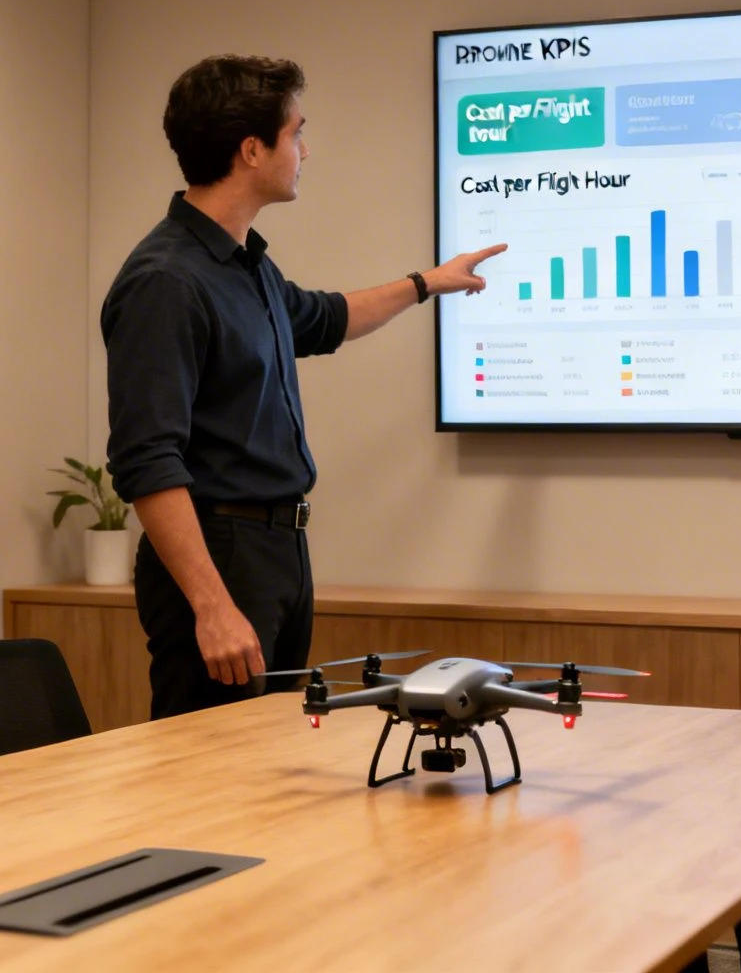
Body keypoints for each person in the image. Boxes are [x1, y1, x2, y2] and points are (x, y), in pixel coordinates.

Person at [102, 54, 503, 720]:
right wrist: (212, 605)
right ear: (252, 150)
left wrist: (428, 282)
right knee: (205, 775)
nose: (304, 150)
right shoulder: (166, 282)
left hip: (278, 550)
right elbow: (147, 462)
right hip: (220, 556)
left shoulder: (243, 264)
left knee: (262, 765)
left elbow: (324, 318)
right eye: (296, 134)